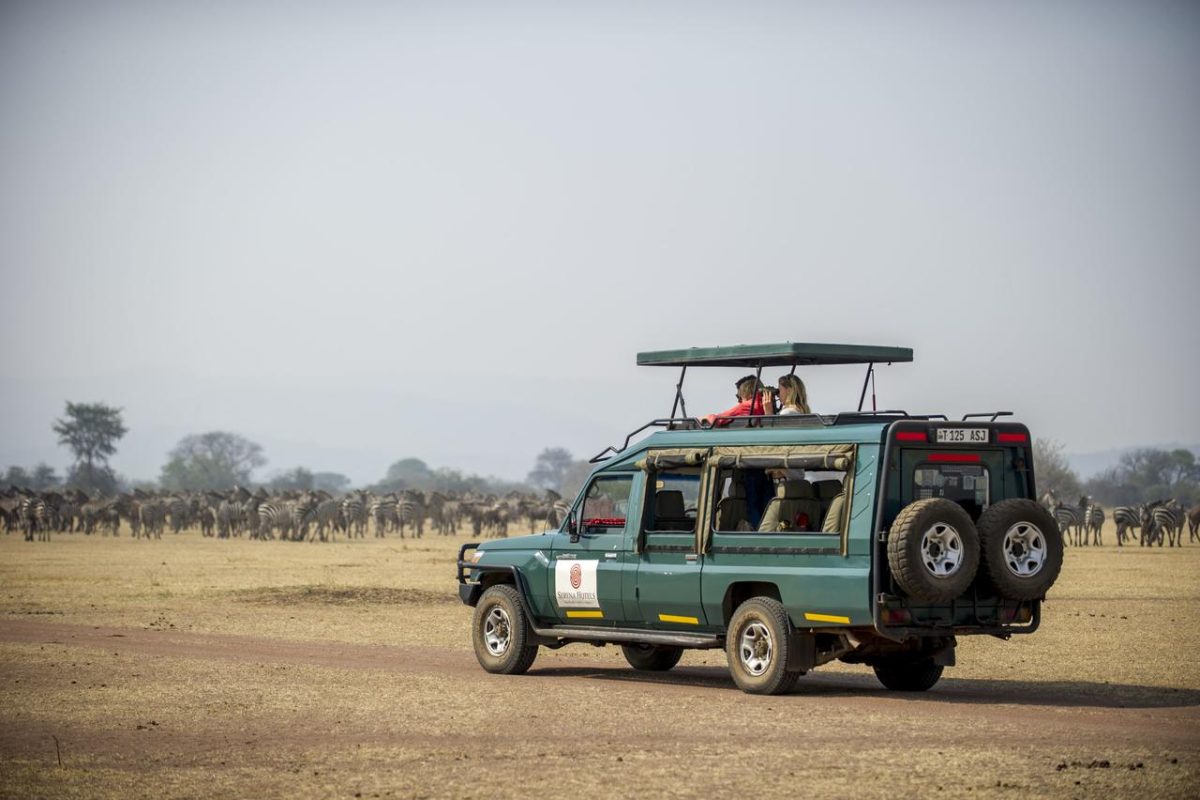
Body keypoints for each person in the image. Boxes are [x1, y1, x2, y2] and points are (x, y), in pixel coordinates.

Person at [703, 375, 767, 427]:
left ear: (749, 395)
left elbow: (717, 419)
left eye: (740, 397)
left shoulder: (746, 406)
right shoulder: (767, 405)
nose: (739, 401)